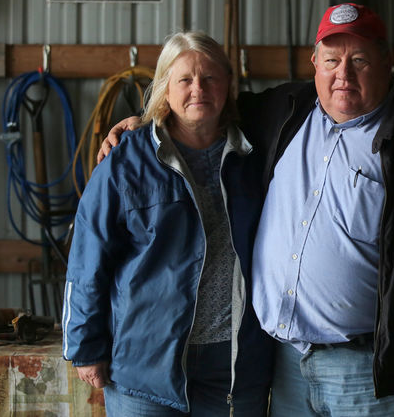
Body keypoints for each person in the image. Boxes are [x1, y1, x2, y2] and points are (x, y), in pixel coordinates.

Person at [99, 3, 394, 416]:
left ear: (387, 62)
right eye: (332, 60)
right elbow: (201, 108)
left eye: (359, 61)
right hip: (284, 364)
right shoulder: (282, 112)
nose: (344, 75)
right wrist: (145, 124)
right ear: (314, 63)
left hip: (367, 370)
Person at [64, 31, 273, 416]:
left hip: (233, 365)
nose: (199, 89)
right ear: (164, 86)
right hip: (146, 365)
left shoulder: (254, 152)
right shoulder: (127, 159)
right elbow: (88, 255)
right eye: (185, 79)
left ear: (228, 83)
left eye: (210, 78)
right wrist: (84, 345)